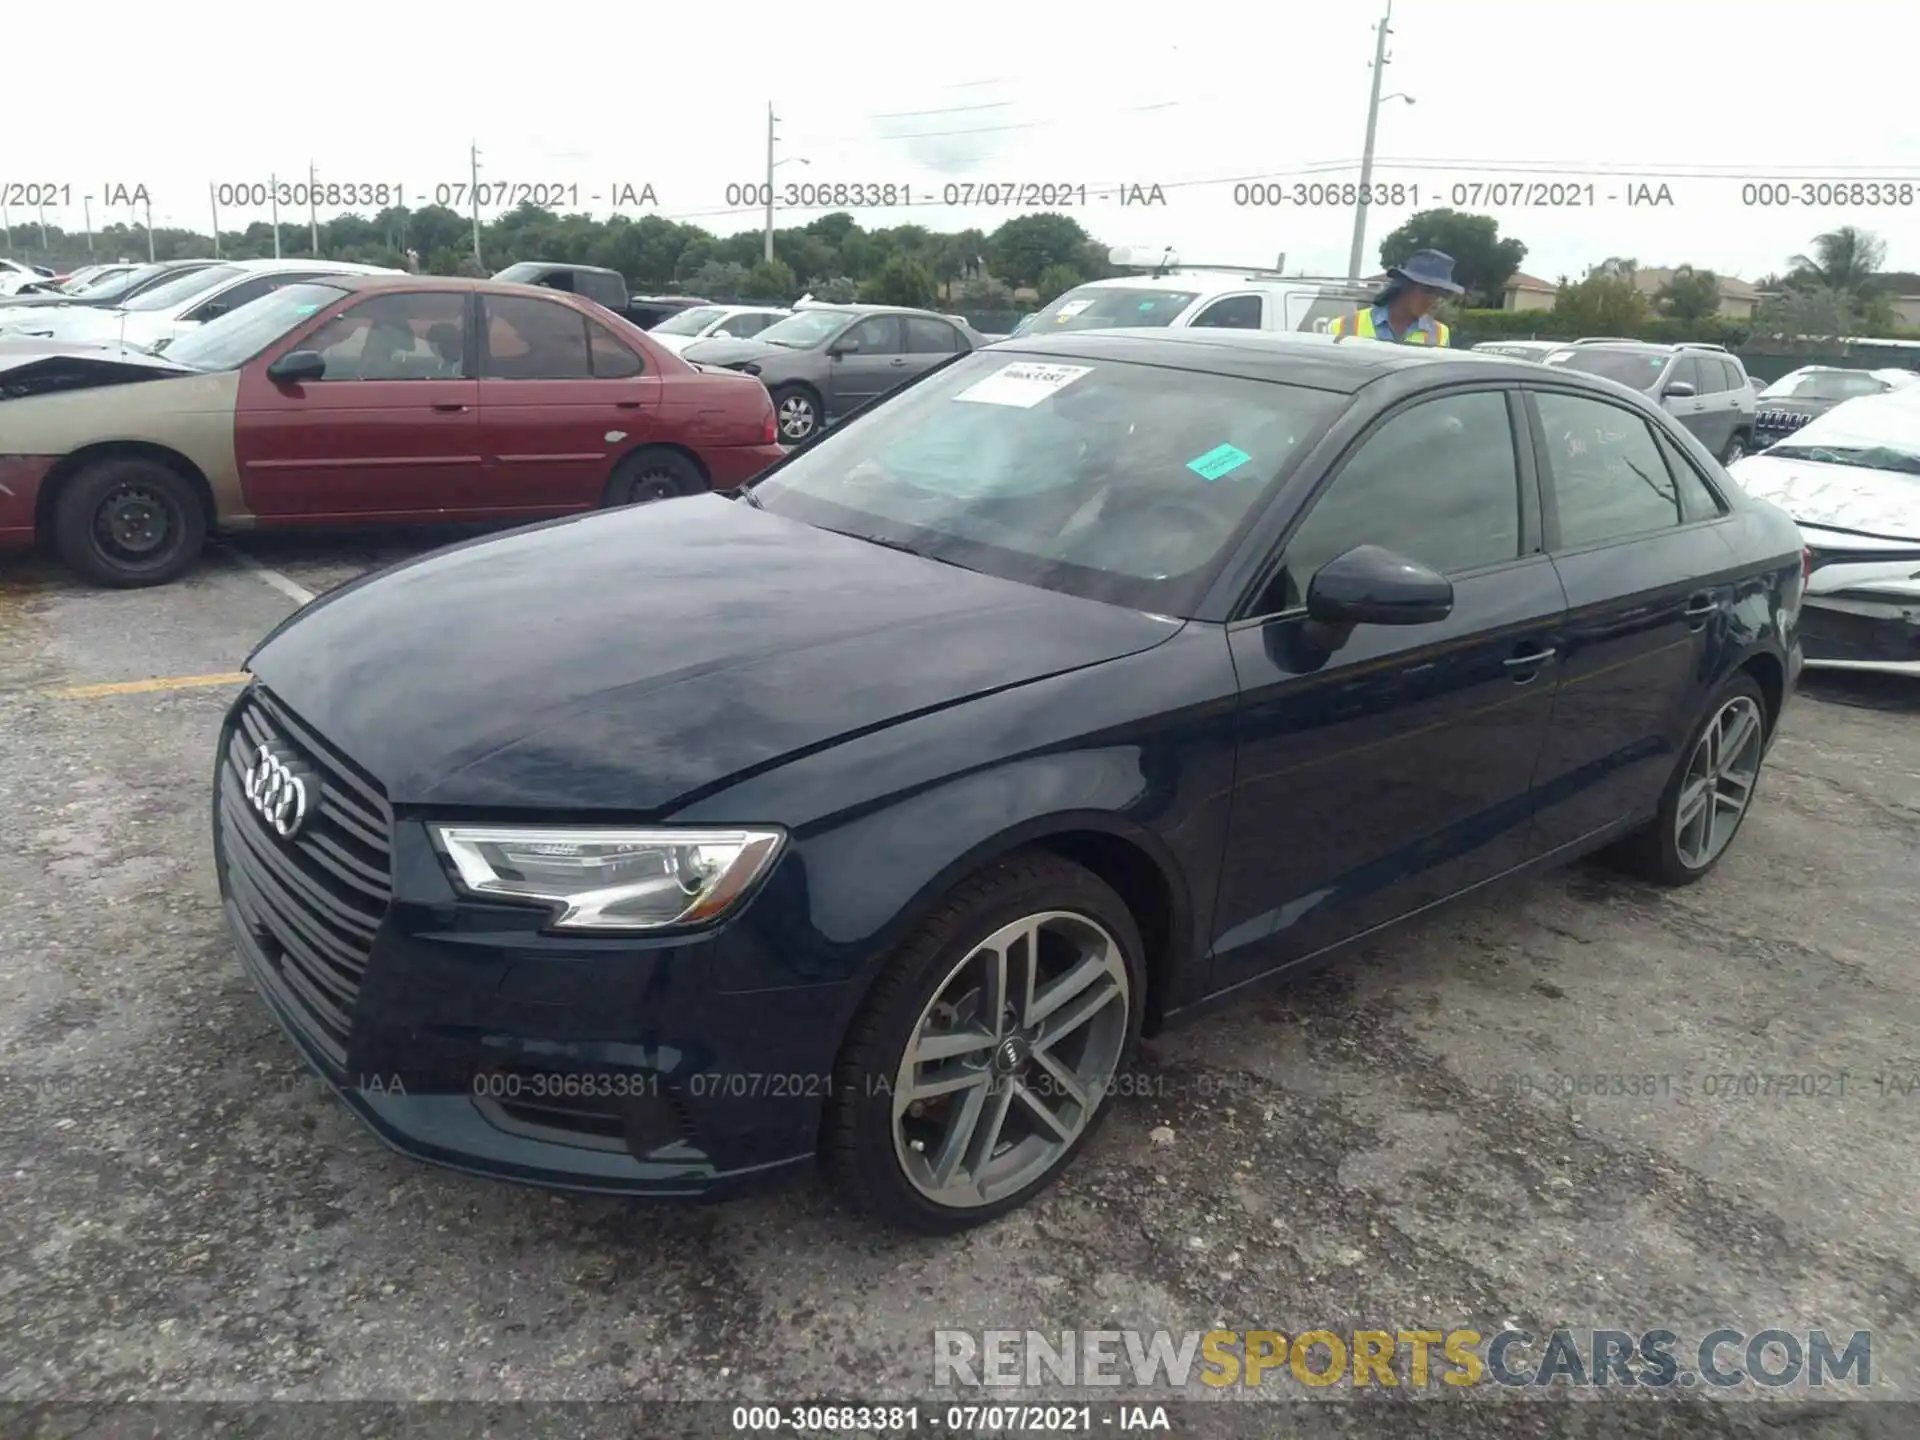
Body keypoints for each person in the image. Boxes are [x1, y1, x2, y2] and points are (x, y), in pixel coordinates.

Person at [1328, 248, 1462, 345]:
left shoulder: (1440, 334)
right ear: (1405, 286)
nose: (1435, 300)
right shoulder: (1344, 326)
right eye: (1428, 290)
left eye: (1441, 293)